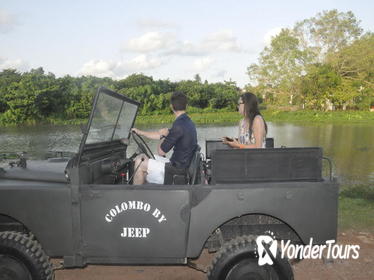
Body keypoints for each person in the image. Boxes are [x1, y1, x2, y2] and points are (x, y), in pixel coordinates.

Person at [131, 91, 197, 185]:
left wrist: (163, 136)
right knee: (145, 157)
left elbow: (161, 152)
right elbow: (159, 134)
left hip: (175, 170)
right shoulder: (187, 122)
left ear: (171, 106)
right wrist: (140, 132)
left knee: (139, 162)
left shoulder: (178, 125)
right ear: (186, 106)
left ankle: (135, 198)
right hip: (180, 165)